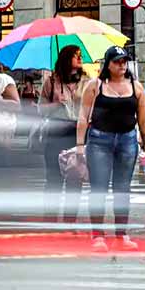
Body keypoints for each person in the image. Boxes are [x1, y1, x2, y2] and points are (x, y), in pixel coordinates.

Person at [77, 46, 145, 252]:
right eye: (117, 61)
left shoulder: (136, 87)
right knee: (98, 188)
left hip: (127, 141)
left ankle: (122, 234)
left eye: (124, 61)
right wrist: (79, 147)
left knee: (122, 189)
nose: (122, 64)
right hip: (99, 140)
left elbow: (144, 121)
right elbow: (83, 118)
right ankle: (97, 235)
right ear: (107, 64)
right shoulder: (95, 85)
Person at [38, 45, 86, 224]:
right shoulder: (51, 81)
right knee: (53, 178)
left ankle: (69, 220)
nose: (80, 58)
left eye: (80, 55)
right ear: (66, 59)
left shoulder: (87, 81)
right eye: (76, 55)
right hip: (56, 133)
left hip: (78, 134)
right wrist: (56, 105)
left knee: (75, 179)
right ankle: (50, 218)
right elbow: (40, 110)